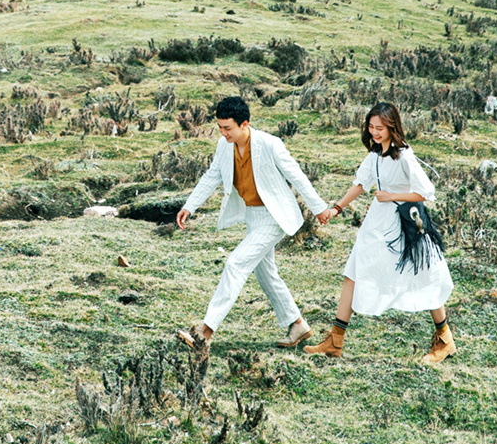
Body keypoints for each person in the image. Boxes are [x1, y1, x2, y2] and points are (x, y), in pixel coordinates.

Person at [173, 96, 330, 352]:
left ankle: (205, 332)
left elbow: (296, 175)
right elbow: (212, 175)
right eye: (220, 127)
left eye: (228, 128)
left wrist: (319, 208)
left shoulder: (270, 144)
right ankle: (297, 324)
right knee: (264, 272)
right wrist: (189, 206)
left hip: (274, 216)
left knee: (235, 263)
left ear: (244, 123)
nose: (223, 133)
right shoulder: (225, 146)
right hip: (252, 215)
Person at [306, 102, 454, 363]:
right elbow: (361, 184)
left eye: (380, 128)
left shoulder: (404, 155)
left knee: (425, 274)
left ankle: (444, 339)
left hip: (405, 222)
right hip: (377, 224)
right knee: (353, 271)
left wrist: (390, 196)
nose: (374, 132)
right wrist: (337, 208)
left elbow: (425, 192)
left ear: (392, 127)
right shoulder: (375, 154)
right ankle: (335, 340)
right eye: (371, 127)